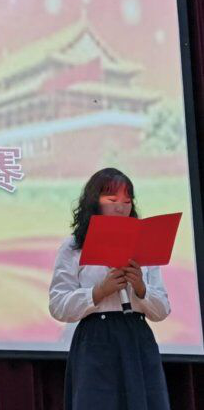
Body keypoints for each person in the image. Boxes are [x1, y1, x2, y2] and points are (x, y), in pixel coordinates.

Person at [49, 167, 170, 410]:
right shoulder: (74, 245)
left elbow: (163, 309)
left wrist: (141, 288)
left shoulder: (144, 243)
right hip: (96, 339)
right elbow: (58, 305)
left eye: (127, 201)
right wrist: (98, 292)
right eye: (112, 200)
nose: (120, 207)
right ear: (94, 201)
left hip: (137, 337)